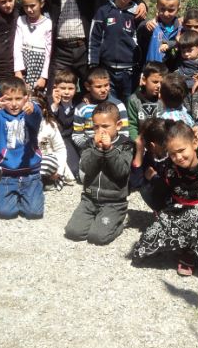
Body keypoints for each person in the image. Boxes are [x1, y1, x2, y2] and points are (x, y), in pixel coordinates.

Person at [132, 121, 198, 276]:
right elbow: (162, 193)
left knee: (196, 218)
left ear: (194, 143)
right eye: (173, 154)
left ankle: (190, 253)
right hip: (178, 211)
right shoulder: (169, 169)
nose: (178, 157)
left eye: (182, 150)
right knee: (143, 246)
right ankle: (183, 244)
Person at [64, 101, 134, 245]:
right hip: (89, 199)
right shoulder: (90, 144)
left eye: (105, 126)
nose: (101, 131)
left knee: (97, 237)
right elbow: (85, 168)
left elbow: (121, 171)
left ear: (118, 125)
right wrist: (97, 150)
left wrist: (109, 150)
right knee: (73, 232)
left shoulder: (125, 145)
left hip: (113, 202)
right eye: (96, 127)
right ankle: (96, 219)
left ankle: (118, 220)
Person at [0, 77, 44, 220]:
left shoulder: (28, 114)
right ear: (2, 99)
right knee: (5, 213)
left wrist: (33, 109)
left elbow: (37, 115)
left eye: (18, 98)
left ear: (26, 98)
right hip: (8, 175)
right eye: (9, 99)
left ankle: (29, 194)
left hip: (31, 174)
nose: (14, 104)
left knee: (34, 213)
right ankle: (14, 195)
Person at [88, 0, 145, 102]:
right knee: (109, 106)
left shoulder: (137, 14)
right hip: (107, 71)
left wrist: (142, 69)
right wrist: (93, 66)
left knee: (129, 104)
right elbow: (94, 39)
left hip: (130, 73)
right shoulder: (103, 12)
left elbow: (142, 43)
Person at [72, 67, 129, 153]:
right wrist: (91, 145)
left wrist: (110, 146)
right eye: (98, 87)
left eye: (106, 85)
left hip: (115, 152)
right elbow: (77, 136)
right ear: (88, 86)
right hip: (90, 151)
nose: (103, 90)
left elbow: (124, 133)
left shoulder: (119, 106)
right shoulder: (81, 109)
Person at [33, 89, 74, 190]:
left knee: (47, 162)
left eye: (36, 108)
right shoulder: (19, 125)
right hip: (28, 162)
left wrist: (59, 171)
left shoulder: (49, 126)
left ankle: (47, 180)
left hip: (47, 161)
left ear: (43, 110)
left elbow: (60, 149)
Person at [13, 0, 52, 92]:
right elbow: (17, 46)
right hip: (24, 66)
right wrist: (18, 71)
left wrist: (44, 77)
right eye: (26, 6)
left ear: (41, 3)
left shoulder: (48, 24)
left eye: (32, 6)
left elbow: (49, 53)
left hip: (40, 67)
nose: (29, 10)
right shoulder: (20, 21)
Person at [170, 30, 198, 121]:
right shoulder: (182, 59)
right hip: (185, 90)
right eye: (183, 51)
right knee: (186, 112)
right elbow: (180, 70)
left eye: (189, 51)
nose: (186, 54)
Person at [50, 68, 80, 179]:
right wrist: (56, 105)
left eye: (70, 88)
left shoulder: (78, 101)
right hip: (55, 140)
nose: (66, 92)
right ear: (55, 88)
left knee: (76, 169)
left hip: (70, 138)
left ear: (76, 89)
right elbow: (49, 121)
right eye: (62, 88)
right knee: (71, 170)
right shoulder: (49, 101)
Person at [141, 0, 181, 64]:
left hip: (170, 71)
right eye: (162, 9)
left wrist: (171, 44)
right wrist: (145, 25)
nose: (166, 14)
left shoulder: (180, 29)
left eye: (171, 10)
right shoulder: (153, 25)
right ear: (157, 7)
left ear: (178, 9)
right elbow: (141, 30)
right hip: (151, 68)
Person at [127, 61, 165, 140]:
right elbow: (132, 125)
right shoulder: (134, 100)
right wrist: (137, 141)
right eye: (155, 82)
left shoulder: (165, 98)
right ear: (144, 80)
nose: (159, 86)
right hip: (141, 141)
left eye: (162, 82)